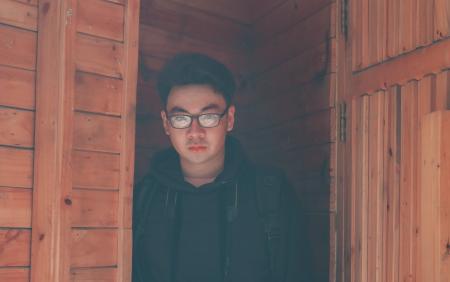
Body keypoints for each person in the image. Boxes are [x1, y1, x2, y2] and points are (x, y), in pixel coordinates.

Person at [132, 53, 312, 282]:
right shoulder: (143, 199)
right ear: (166, 124)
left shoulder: (271, 195)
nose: (195, 132)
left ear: (230, 119)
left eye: (208, 117)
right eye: (181, 118)